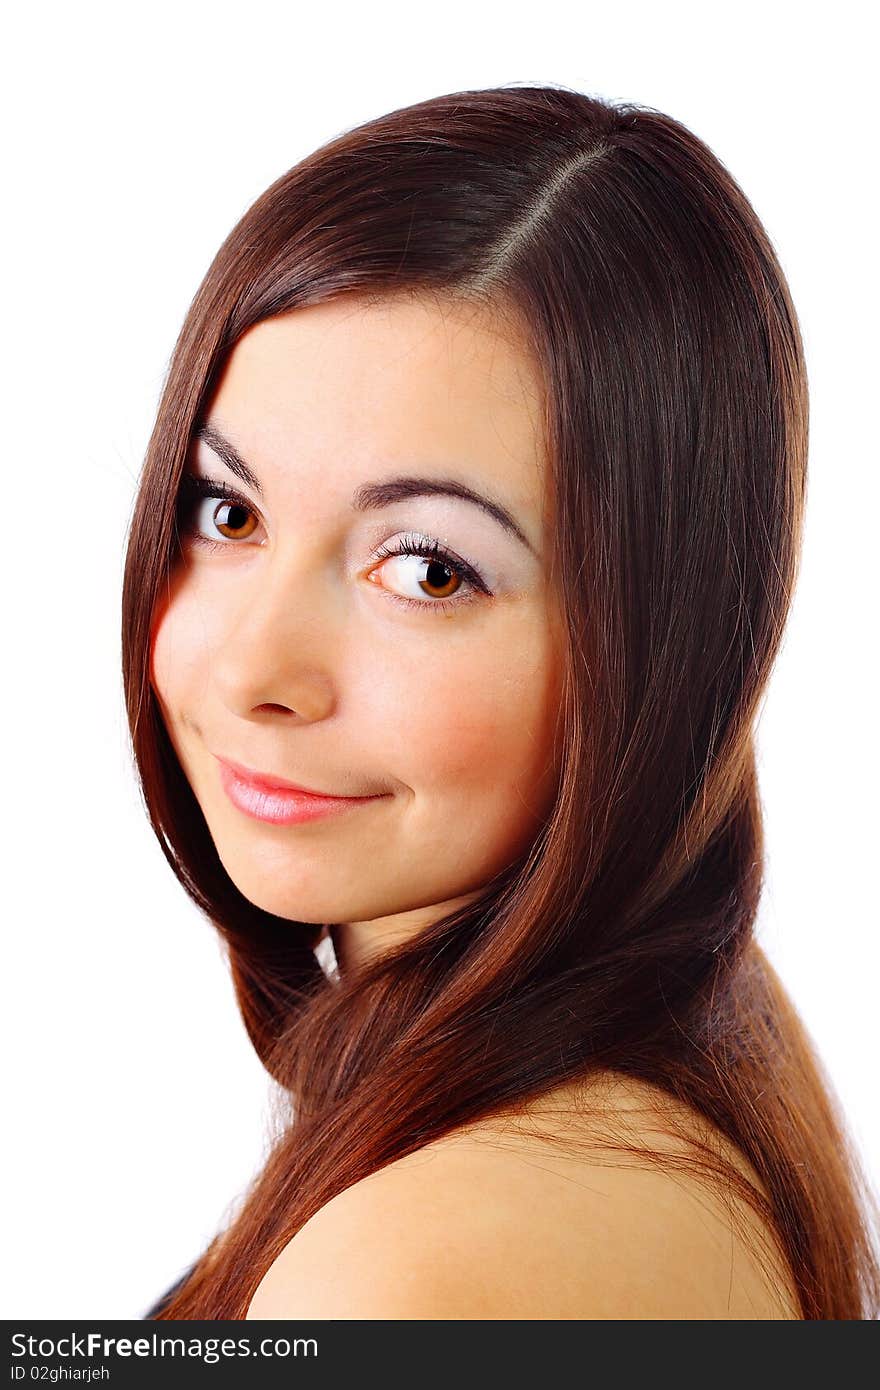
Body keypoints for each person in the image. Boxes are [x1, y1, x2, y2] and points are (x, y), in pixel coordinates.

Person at [126, 82, 879, 1320]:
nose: (251, 673)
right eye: (230, 512)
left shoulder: (414, 1273)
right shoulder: (684, 1048)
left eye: (426, 568)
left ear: (661, 637)